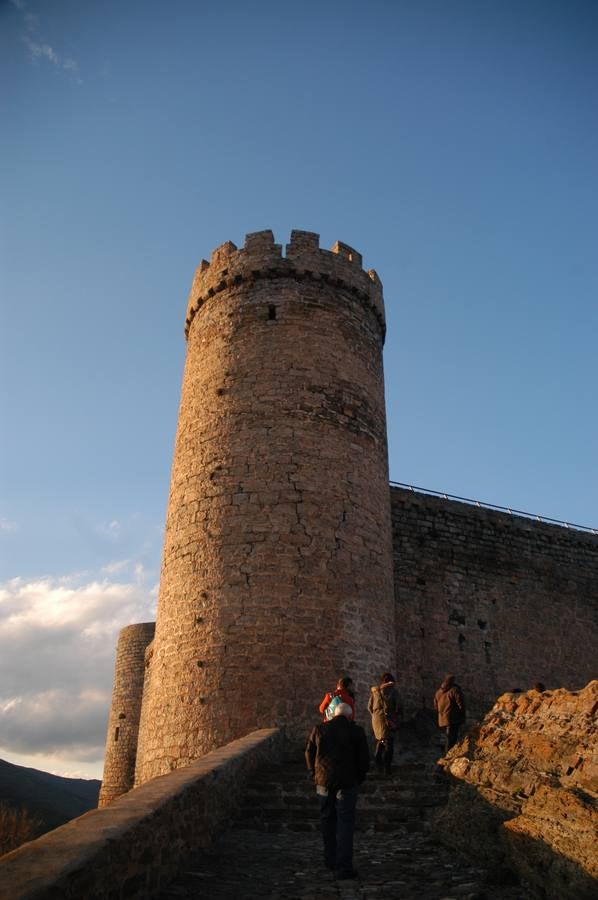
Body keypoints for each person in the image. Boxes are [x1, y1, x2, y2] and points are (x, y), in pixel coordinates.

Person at [305, 702, 369, 880]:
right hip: (348, 783)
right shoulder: (356, 731)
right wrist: (359, 777)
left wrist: (313, 773)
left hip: (324, 781)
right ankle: (344, 866)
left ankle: (330, 860)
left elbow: (308, 752)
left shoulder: (319, 729)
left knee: (327, 820)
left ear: (333, 715)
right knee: (345, 823)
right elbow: (364, 758)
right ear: (350, 716)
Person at [368, 672, 402, 774]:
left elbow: (369, 707)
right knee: (389, 744)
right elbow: (399, 706)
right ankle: (386, 767)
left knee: (381, 740)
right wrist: (395, 716)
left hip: (376, 720)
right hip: (388, 720)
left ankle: (378, 763)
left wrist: (376, 716)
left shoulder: (375, 692)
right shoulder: (393, 691)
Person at [434, 674, 466, 753]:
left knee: (447, 737)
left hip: (442, 719)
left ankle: (446, 753)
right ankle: (448, 755)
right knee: (451, 738)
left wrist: (441, 713)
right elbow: (461, 703)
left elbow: (435, 706)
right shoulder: (454, 690)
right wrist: (462, 715)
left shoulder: (438, 692)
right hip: (453, 718)